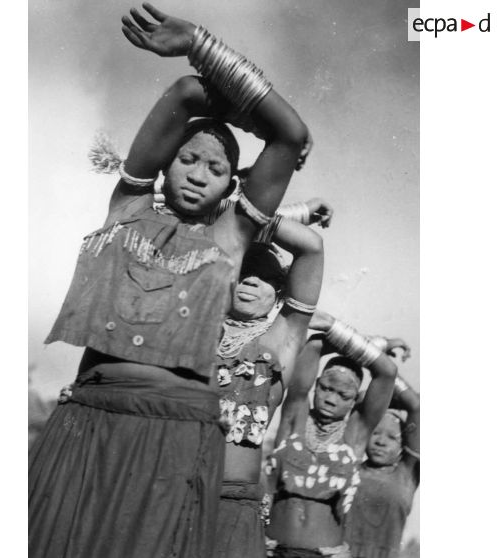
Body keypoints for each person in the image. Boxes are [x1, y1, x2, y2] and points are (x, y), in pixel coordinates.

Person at [29, 4, 309, 558]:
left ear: (234, 186)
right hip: (89, 423)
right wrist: (194, 60)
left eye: (216, 168)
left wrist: (205, 43)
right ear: (164, 163)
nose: (198, 174)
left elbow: (291, 135)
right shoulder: (127, 210)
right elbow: (185, 92)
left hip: (176, 437)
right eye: (189, 158)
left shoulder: (231, 241)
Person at [213, 197, 331, 558]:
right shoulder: (196, 324)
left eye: (264, 277)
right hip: (166, 484)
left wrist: (293, 214)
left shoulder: (283, 338)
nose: (250, 280)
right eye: (244, 270)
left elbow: (312, 247)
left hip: (231, 501)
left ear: (280, 295)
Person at [265, 311, 398, 558]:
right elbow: (314, 344)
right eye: (325, 388)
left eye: (343, 395)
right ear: (316, 386)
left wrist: (341, 331)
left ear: (354, 401)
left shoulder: (355, 434)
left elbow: (387, 372)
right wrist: (364, 342)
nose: (330, 398)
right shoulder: (295, 417)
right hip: (273, 550)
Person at [342, 376, 420, 558]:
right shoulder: (350, 466)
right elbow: (360, 403)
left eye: (392, 437)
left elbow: (417, 408)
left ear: (403, 446)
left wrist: (386, 373)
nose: (380, 441)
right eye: (375, 433)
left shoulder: (406, 475)